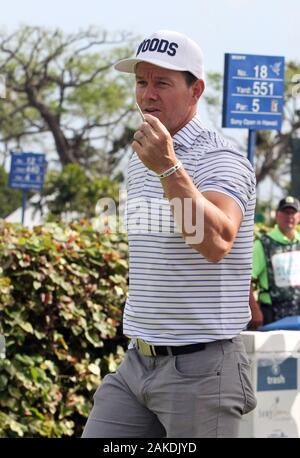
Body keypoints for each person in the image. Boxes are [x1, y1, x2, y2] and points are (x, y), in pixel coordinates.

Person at [82, 29, 257, 438]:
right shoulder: (139, 156)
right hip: (136, 363)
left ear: (196, 91)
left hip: (201, 368)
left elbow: (216, 243)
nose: (148, 95)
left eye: (163, 83)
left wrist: (167, 167)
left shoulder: (220, 157)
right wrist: (160, 163)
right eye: (141, 82)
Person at [249, 196, 300, 329]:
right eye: (285, 212)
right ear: (277, 215)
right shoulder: (263, 244)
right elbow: (245, 278)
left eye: (293, 212)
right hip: (272, 315)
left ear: (298, 216)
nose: (289, 216)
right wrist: (255, 310)